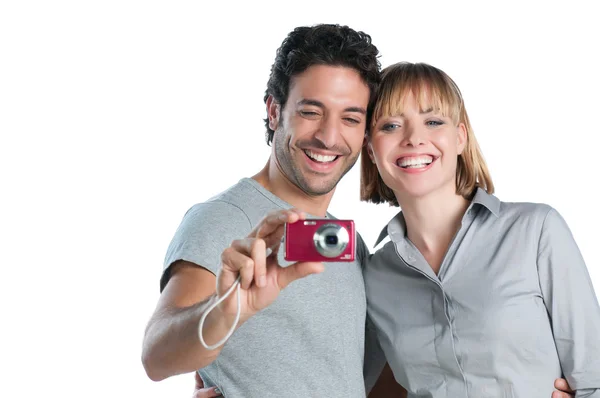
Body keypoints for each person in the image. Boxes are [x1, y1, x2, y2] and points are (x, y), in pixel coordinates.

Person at [141, 23, 404, 397]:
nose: (329, 137)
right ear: (274, 111)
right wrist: (229, 311)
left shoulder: (346, 242)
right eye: (311, 112)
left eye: (349, 117)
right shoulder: (223, 219)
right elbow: (156, 354)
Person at [359, 61, 600, 397]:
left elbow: (594, 378)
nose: (414, 139)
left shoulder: (536, 233)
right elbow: (346, 381)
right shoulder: (374, 275)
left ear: (460, 138)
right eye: (391, 126)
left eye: (433, 121)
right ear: (370, 148)